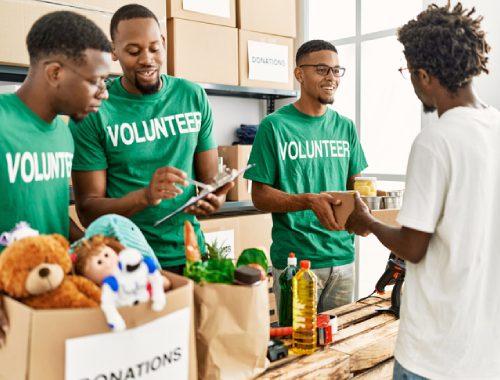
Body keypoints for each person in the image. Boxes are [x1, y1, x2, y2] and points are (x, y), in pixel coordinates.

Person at [345, 3, 500, 379]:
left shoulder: (435, 140)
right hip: (486, 353)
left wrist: (365, 220)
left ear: (424, 74)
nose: (412, 83)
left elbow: (413, 246)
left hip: (434, 353)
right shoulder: (495, 127)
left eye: (409, 73)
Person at [69, 4, 232, 275]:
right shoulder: (94, 111)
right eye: (133, 51)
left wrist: (217, 199)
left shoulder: (192, 96)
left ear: (164, 43)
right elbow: (88, 211)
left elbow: (209, 184)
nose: (147, 59)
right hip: (125, 262)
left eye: (155, 48)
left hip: (191, 255)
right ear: (114, 51)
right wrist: (145, 196)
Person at [0, 11, 112, 346]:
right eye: (95, 81)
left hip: (51, 297)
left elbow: (44, 210)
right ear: (55, 73)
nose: (104, 93)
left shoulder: (64, 135)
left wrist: (90, 245)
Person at [245, 39, 368, 316]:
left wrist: (372, 211)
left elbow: (357, 187)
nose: (331, 78)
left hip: (343, 258)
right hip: (296, 263)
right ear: (299, 74)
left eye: (337, 71)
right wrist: (308, 201)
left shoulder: (345, 127)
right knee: (297, 350)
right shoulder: (274, 126)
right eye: (322, 69)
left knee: (340, 345)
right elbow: (259, 196)